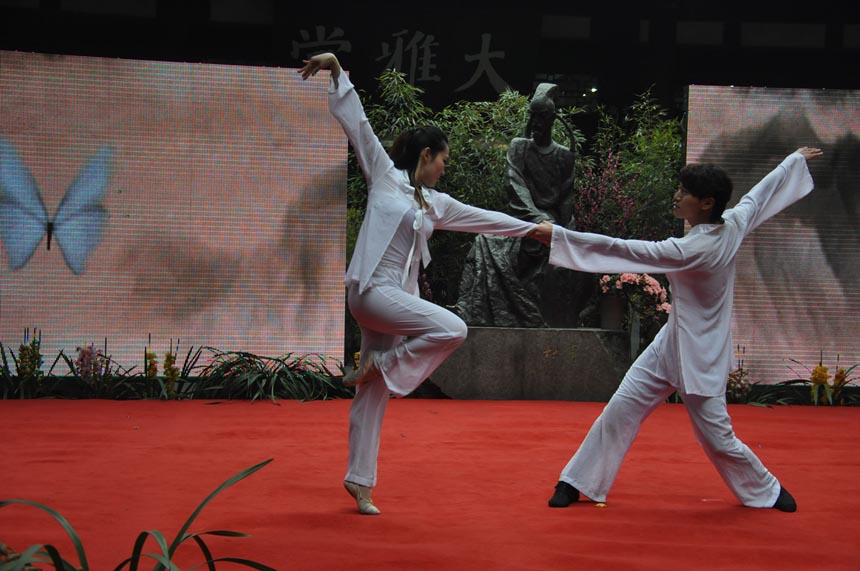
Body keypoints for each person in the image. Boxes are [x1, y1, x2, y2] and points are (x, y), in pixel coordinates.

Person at [299, 53, 541, 515]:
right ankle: (384, 367)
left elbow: (484, 219)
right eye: (442, 160)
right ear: (425, 156)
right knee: (454, 328)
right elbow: (359, 126)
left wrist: (532, 229)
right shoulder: (384, 177)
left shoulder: (437, 203)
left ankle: (360, 480)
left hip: (394, 300)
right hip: (371, 291)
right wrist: (337, 71)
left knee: (371, 394)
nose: (445, 168)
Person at [529, 146, 824, 512]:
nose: (676, 196)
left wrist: (558, 237)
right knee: (621, 408)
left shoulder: (692, 249)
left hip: (701, 353)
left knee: (718, 438)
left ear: (706, 203)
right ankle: (575, 482)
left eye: (684, 192)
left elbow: (627, 250)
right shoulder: (733, 221)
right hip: (670, 343)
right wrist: (791, 160)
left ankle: (767, 489)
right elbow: (759, 195)